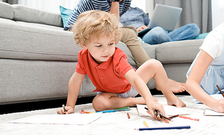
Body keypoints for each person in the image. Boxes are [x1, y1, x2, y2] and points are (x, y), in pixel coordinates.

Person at [64, 0, 185, 93]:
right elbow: (109, 27)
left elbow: (111, 27)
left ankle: (158, 77)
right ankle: (161, 80)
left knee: (131, 31)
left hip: (98, 29)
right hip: (78, 29)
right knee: (129, 33)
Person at [57, 10, 186, 117]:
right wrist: (69, 106)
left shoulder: (117, 56)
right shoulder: (83, 56)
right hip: (109, 93)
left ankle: (170, 96)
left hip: (129, 87)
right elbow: (75, 81)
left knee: (154, 64)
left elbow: (135, 79)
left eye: (111, 44)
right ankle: (132, 102)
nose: (106, 50)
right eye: (99, 45)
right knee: (98, 104)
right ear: (85, 45)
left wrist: (149, 100)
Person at [120, 7, 200, 45]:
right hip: (139, 36)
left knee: (193, 28)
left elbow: (150, 24)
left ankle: (166, 40)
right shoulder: (116, 9)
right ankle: (172, 47)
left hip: (150, 31)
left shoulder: (138, 10)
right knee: (158, 31)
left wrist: (146, 27)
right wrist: (135, 30)